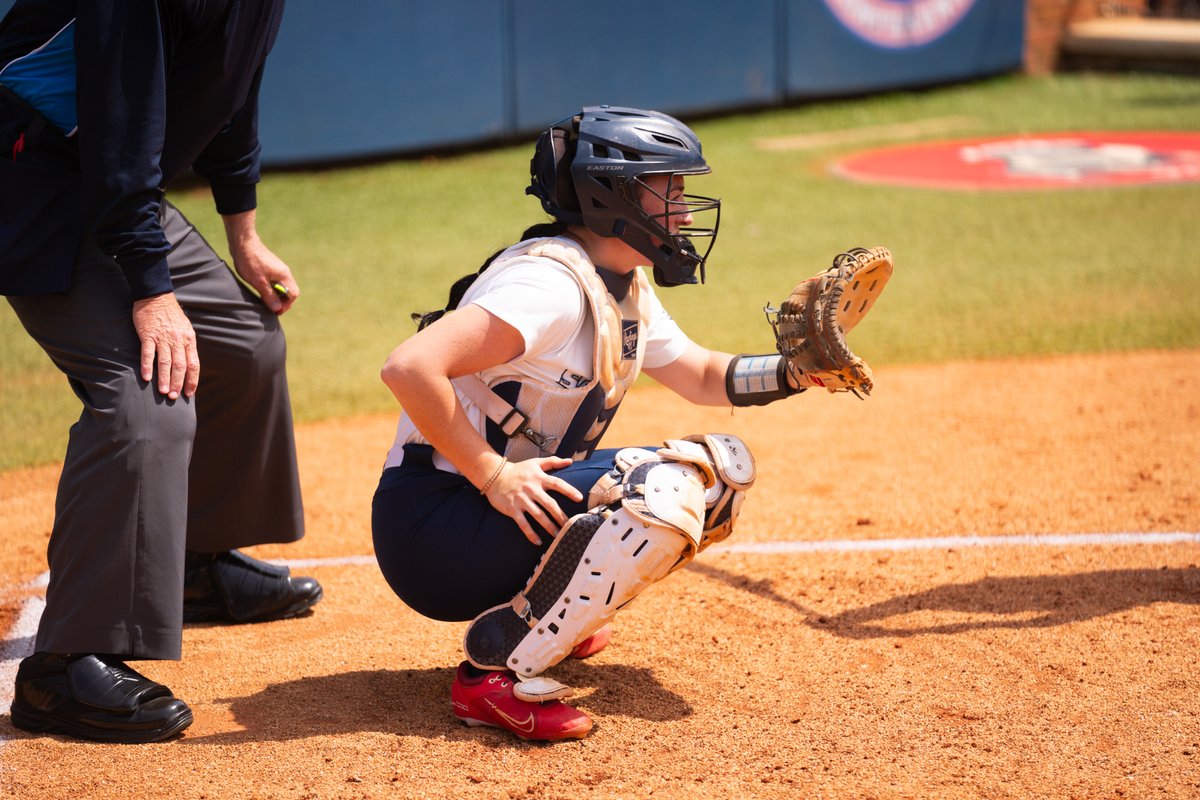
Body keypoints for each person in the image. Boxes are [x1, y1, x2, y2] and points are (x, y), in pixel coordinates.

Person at [373, 105, 823, 742]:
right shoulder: (548, 286)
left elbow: (699, 373)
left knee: (717, 481)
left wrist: (795, 371)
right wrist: (494, 473)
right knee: (664, 487)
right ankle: (491, 678)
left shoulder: (620, 282)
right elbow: (409, 366)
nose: (686, 212)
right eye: (669, 190)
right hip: (433, 529)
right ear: (613, 198)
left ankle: (539, 612)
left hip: (480, 518)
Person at [1, 1, 322, 744]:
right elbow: (118, 118)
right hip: (32, 182)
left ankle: (189, 565)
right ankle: (64, 666)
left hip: (109, 190)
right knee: (147, 399)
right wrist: (152, 288)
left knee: (243, 346)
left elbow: (231, 88)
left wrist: (243, 230)